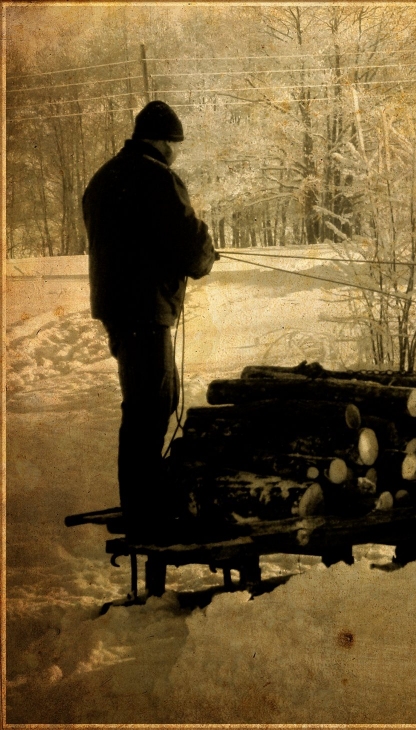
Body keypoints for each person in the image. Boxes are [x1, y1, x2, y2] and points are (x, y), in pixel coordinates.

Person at [82, 100, 217, 532]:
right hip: (146, 308)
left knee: (144, 402)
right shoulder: (159, 179)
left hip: (116, 309)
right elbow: (189, 247)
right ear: (162, 142)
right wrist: (206, 250)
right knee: (153, 403)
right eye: (173, 144)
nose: (175, 153)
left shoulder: (102, 179)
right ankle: (145, 508)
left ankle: (143, 500)